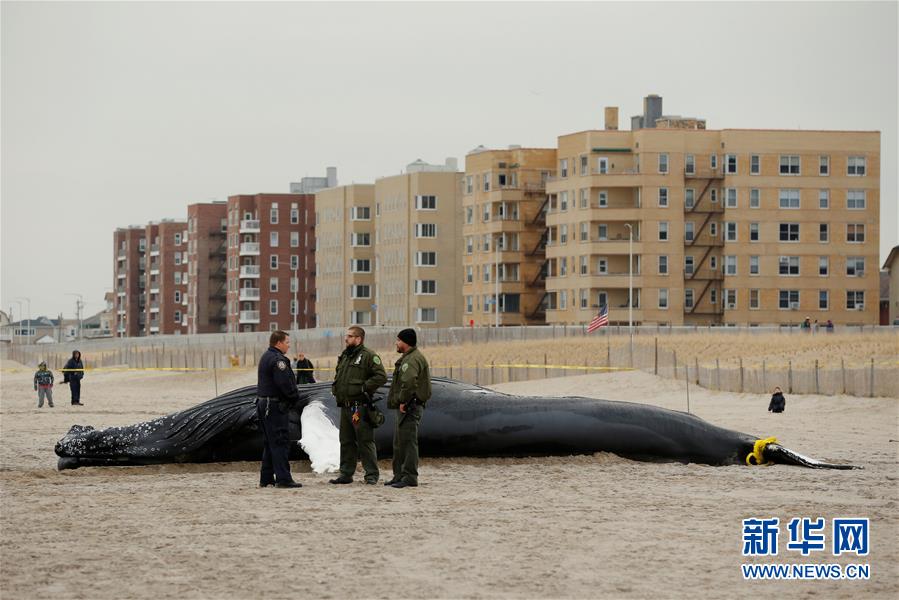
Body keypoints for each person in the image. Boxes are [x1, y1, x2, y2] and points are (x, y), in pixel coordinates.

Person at [330, 326, 387, 485]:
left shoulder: (368, 356)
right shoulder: (345, 356)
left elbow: (381, 376)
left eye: (350, 336)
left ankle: (371, 475)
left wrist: (364, 387)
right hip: (345, 406)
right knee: (346, 441)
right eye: (346, 335)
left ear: (359, 339)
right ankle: (346, 474)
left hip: (360, 406)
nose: (346, 338)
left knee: (365, 441)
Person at [385, 328, 431, 489]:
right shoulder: (409, 358)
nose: (396, 343)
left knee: (408, 442)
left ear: (405, 342)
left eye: (398, 340)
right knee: (399, 442)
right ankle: (399, 475)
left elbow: (410, 381)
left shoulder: (411, 360)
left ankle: (410, 476)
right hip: (408, 405)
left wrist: (403, 400)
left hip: (410, 406)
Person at [256, 330, 302, 489]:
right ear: (279, 343)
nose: (289, 346)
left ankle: (266, 477)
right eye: (287, 342)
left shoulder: (266, 356)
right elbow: (285, 384)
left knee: (270, 442)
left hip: (265, 403)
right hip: (274, 405)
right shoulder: (278, 361)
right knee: (280, 441)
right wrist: (294, 398)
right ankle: (283, 478)